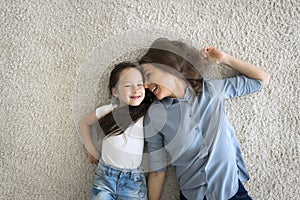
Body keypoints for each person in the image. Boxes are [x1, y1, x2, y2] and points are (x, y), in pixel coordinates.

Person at [138, 38, 270, 200]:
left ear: (168, 66)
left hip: (231, 191)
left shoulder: (210, 89)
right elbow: (157, 170)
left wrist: (224, 59)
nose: (145, 85)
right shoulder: (154, 115)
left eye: (148, 75)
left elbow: (261, 79)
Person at [79, 62, 153, 200]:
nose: (136, 90)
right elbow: (84, 123)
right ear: (115, 91)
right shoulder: (108, 110)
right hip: (106, 177)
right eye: (127, 86)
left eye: (139, 84)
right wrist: (90, 149)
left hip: (133, 181)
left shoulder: (146, 114)